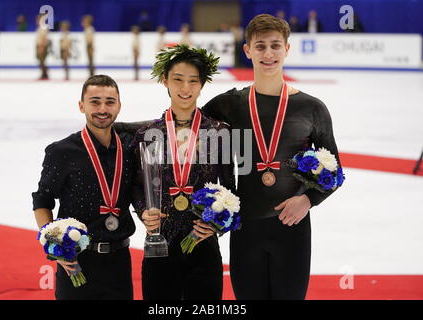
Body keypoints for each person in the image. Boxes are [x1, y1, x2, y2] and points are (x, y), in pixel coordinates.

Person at [201, 14, 341, 299]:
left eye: (275, 46)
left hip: (293, 228)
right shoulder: (231, 103)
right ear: (247, 50)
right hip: (246, 228)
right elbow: (188, 126)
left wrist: (307, 200)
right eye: (260, 46)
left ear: (287, 49)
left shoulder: (311, 108)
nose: (268, 54)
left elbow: (334, 170)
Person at [130, 45, 235, 300]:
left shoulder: (219, 133)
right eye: (178, 79)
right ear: (164, 80)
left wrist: (218, 224)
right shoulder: (147, 135)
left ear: (202, 85)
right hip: (159, 243)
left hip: (203, 242)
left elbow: (231, 189)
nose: (185, 88)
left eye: (193, 81)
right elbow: (134, 184)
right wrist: (144, 210)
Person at [32, 75, 136, 300]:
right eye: (95, 101)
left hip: (120, 261)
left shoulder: (129, 148)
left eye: (110, 102)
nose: (102, 108)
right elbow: (42, 201)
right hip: (77, 261)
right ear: (82, 106)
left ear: (119, 106)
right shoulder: (62, 151)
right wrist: (54, 245)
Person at [35, 13, 49, 80]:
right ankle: (44, 74)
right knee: (41, 61)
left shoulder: (43, 27)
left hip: (42, 46)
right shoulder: (40, 28)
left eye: (38, 19)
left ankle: (45, 74)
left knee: (42, 61)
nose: (36, 21)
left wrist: (41, 47)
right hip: (39, 46)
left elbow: (43, 38)